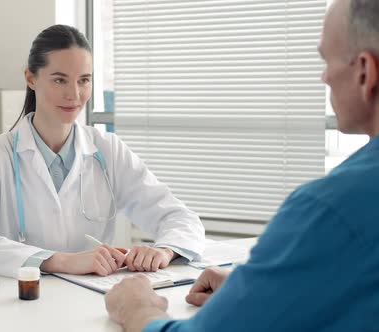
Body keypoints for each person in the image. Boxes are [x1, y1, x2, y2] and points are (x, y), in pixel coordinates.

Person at [105, 0, 379, 330]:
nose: (324, 77)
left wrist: (136, 309)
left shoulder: (331, 208)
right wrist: (264, 290)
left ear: (365, 71)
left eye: (326, 60)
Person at [0, 24, 205, 278]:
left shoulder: (108, 150)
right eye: (60, 80)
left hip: (92, 301)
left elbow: (181, 218)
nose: (74, 94)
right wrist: (61, 261)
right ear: (30, 78)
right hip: (21, 300)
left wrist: (164, 250)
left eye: (84, 80)